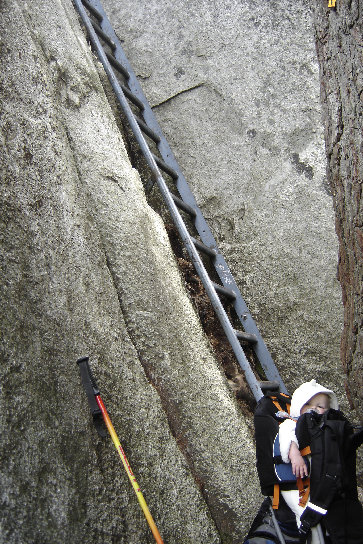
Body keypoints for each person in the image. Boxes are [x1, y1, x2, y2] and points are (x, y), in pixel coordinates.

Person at [278, 380, 339, 543]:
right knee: (306, 515)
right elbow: (287, 438)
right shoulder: (292, 423)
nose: (314, 408)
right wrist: (295, 455)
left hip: (322, 481)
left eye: (321, 406)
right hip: (299, 483)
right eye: (309, 404)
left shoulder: (327, 429)